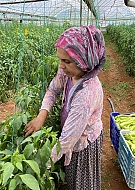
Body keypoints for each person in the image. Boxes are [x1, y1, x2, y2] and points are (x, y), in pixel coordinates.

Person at [25, 25, 106, 190]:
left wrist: (39, 166)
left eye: (66, 61)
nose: (61, 65)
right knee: (72, 179)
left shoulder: (87, 94)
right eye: (60, 60)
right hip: (71, 135)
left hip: (83, 142)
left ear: (84, 60)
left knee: (82, 183)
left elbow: (67, 140)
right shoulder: (69, 71)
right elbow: (53, 89)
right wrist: (42, 115)